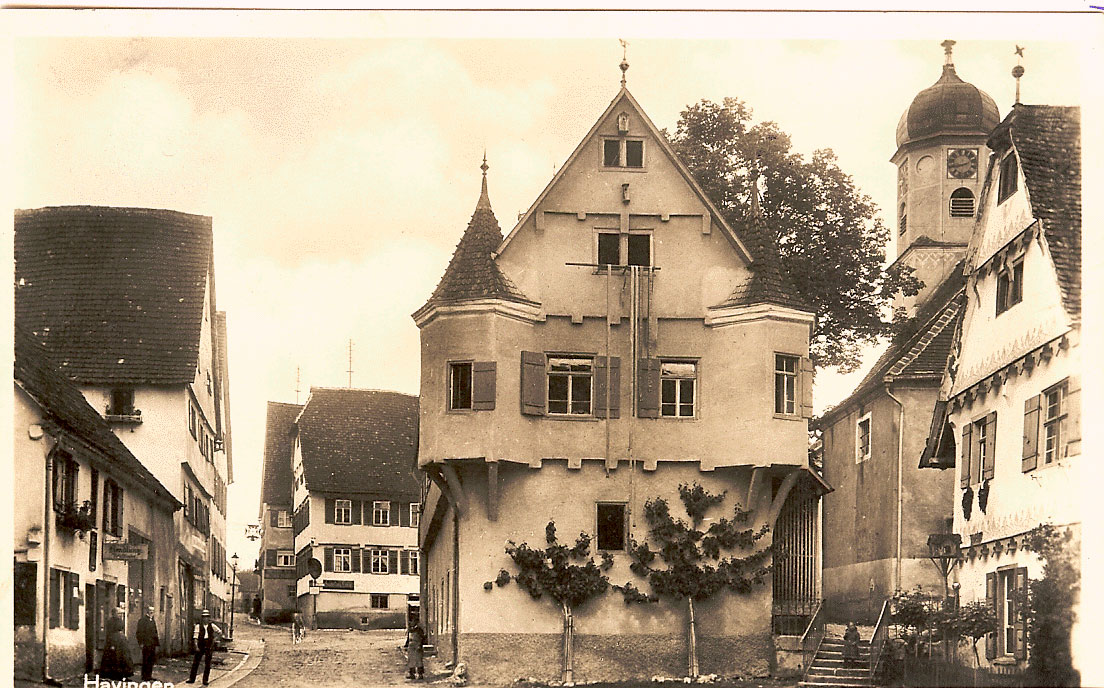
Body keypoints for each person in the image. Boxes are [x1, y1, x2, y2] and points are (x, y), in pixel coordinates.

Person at [187, 609, 222, 685]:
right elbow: (195, 637)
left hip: (209, 645)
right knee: (196, 662)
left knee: (208, 663)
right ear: (202, 618)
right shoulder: (198, 626)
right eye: (204, 617)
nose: (205, 619)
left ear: (208, 618)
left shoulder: (212, 625)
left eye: (207, 617)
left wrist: (215, 639)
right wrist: (196, 646)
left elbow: (219, 632)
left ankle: (205, 680)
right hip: (201, 644)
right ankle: (192, 678)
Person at [99, 608, 134, 680]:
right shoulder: (110, 622)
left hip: (121, 641)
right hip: (114, 641)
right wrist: (111, 644)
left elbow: (121, 629)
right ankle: (115, 675)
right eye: (118, 613)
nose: (119, 615)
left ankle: (125, 674)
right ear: (114, 613)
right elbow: (109, 633)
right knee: (115, 658)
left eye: (120, 614)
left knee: (125, 657)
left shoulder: (120, 620)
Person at [136, 606, 160, 681]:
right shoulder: (142, 621)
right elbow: (139, 633)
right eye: (150, 610)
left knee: (151, 660)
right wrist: (141, 643)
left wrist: (156, 643)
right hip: (146, 644)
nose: (151, 612)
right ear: (147, 611)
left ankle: (149, 675)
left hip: (152, 644)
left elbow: (155, 632)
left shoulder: (153, 621)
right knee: (145, 660)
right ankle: (144, 676)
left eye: (153, 611)